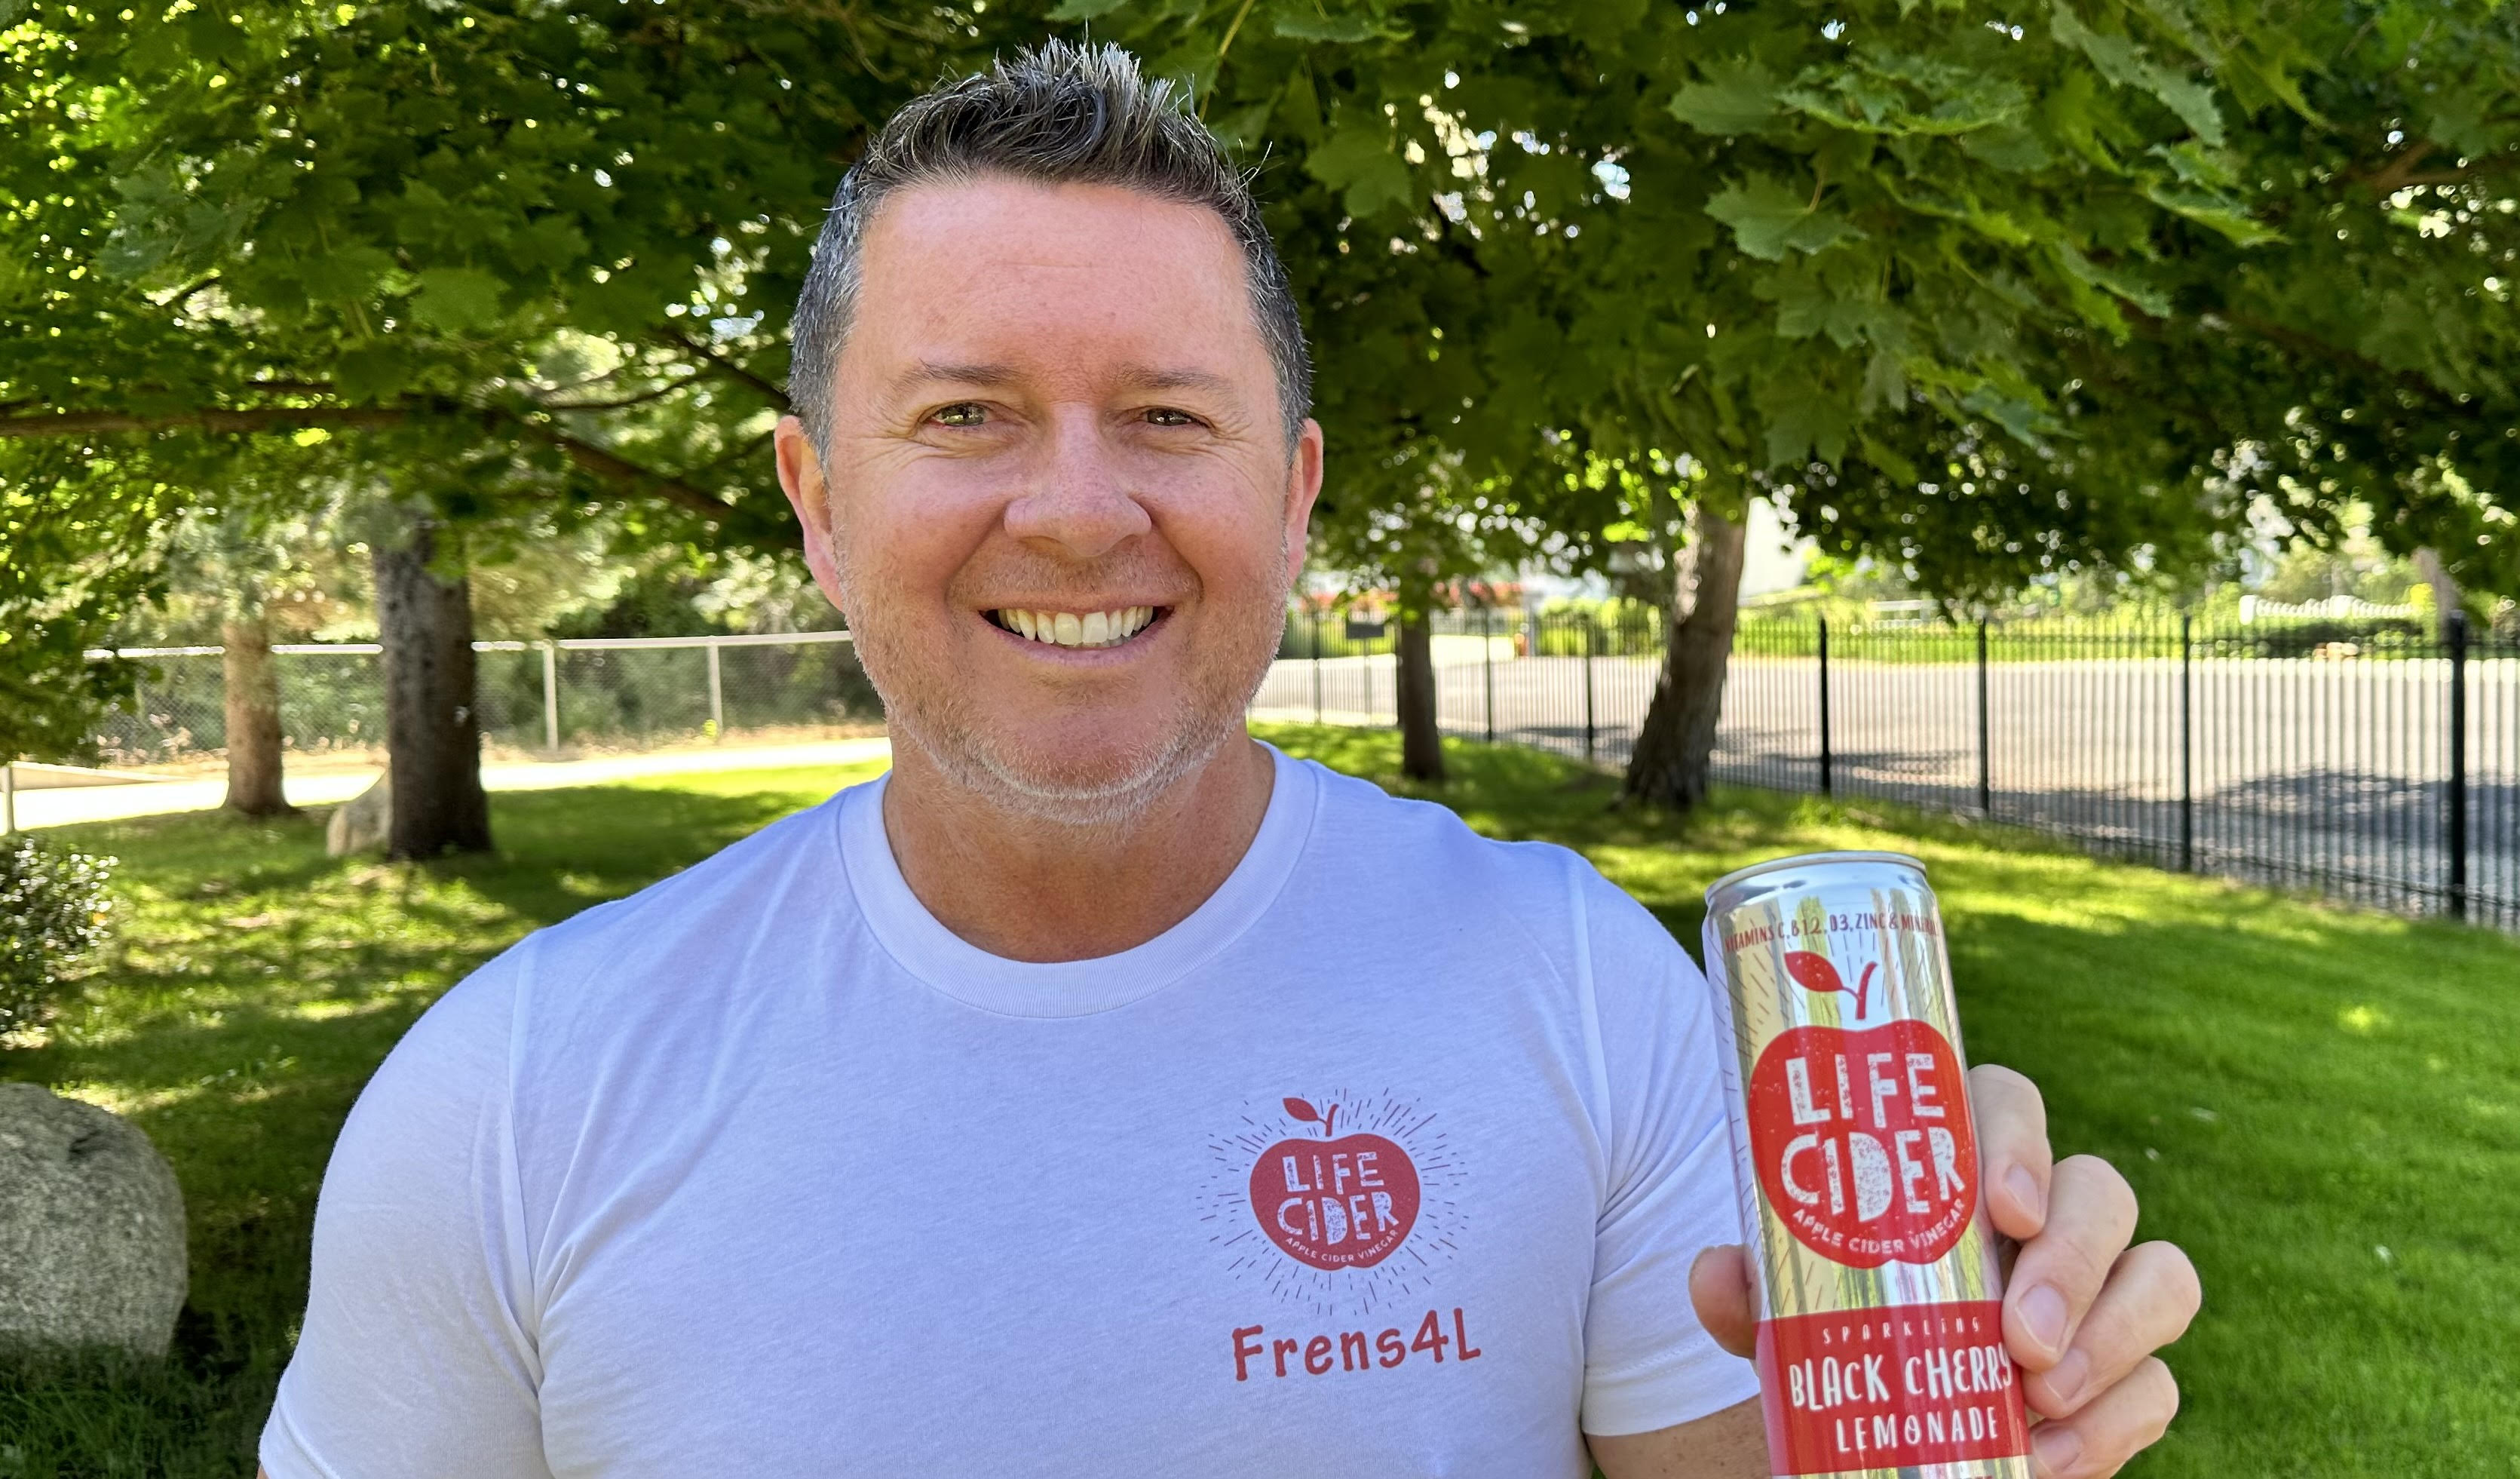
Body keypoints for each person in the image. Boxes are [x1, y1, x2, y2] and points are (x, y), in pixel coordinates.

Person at [259, 41, 2197, 1478]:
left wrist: (1996, 1401)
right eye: (966, 414)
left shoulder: (1577, 986)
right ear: (819, 502)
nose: (1076, 512)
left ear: (1292, 495)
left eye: (1170, 418)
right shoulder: (515, 1093)